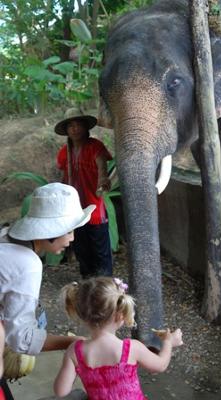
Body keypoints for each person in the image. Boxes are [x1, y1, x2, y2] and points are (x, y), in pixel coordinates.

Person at [0, 182, 95, 398]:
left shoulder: (5, 237)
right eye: (69, 231)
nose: (72, 239)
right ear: (51, 230)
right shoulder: (27, 263)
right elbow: (22, 339)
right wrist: (72, 342)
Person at [54, 276, 183, 399]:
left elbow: (61, 391)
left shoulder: (74, 352)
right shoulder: (131, 348)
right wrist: (168, 342)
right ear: (121, 315)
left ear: (81, 314)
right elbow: (160, 365)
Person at [55, 108, 113, 279]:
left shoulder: (95, 147)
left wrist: (103, 179)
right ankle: (88, 282)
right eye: (71, 126)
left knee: (100, 250)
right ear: (66, 130)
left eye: (78, 125)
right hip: (74, 211)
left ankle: (105, 285)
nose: (75, 129)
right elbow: (62, 178)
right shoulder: (63, 153)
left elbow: (102, 164)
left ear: (86, 127)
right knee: (81, 249)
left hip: (94, 209)